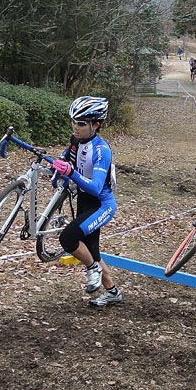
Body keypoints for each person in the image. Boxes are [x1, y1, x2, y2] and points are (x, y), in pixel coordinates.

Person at [51, 96, 121, 308]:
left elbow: (95, 187)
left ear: (96, 124)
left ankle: (93, 268)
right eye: (73, 122)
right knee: (93, 250)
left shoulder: (101, 150)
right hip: (83, 201)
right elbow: (65, 164)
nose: (75, 127)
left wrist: (71, 173)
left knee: (68, 238)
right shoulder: (76, 142)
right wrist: (57, 173)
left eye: (81, 123)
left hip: (101, 205)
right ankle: (112, 292)